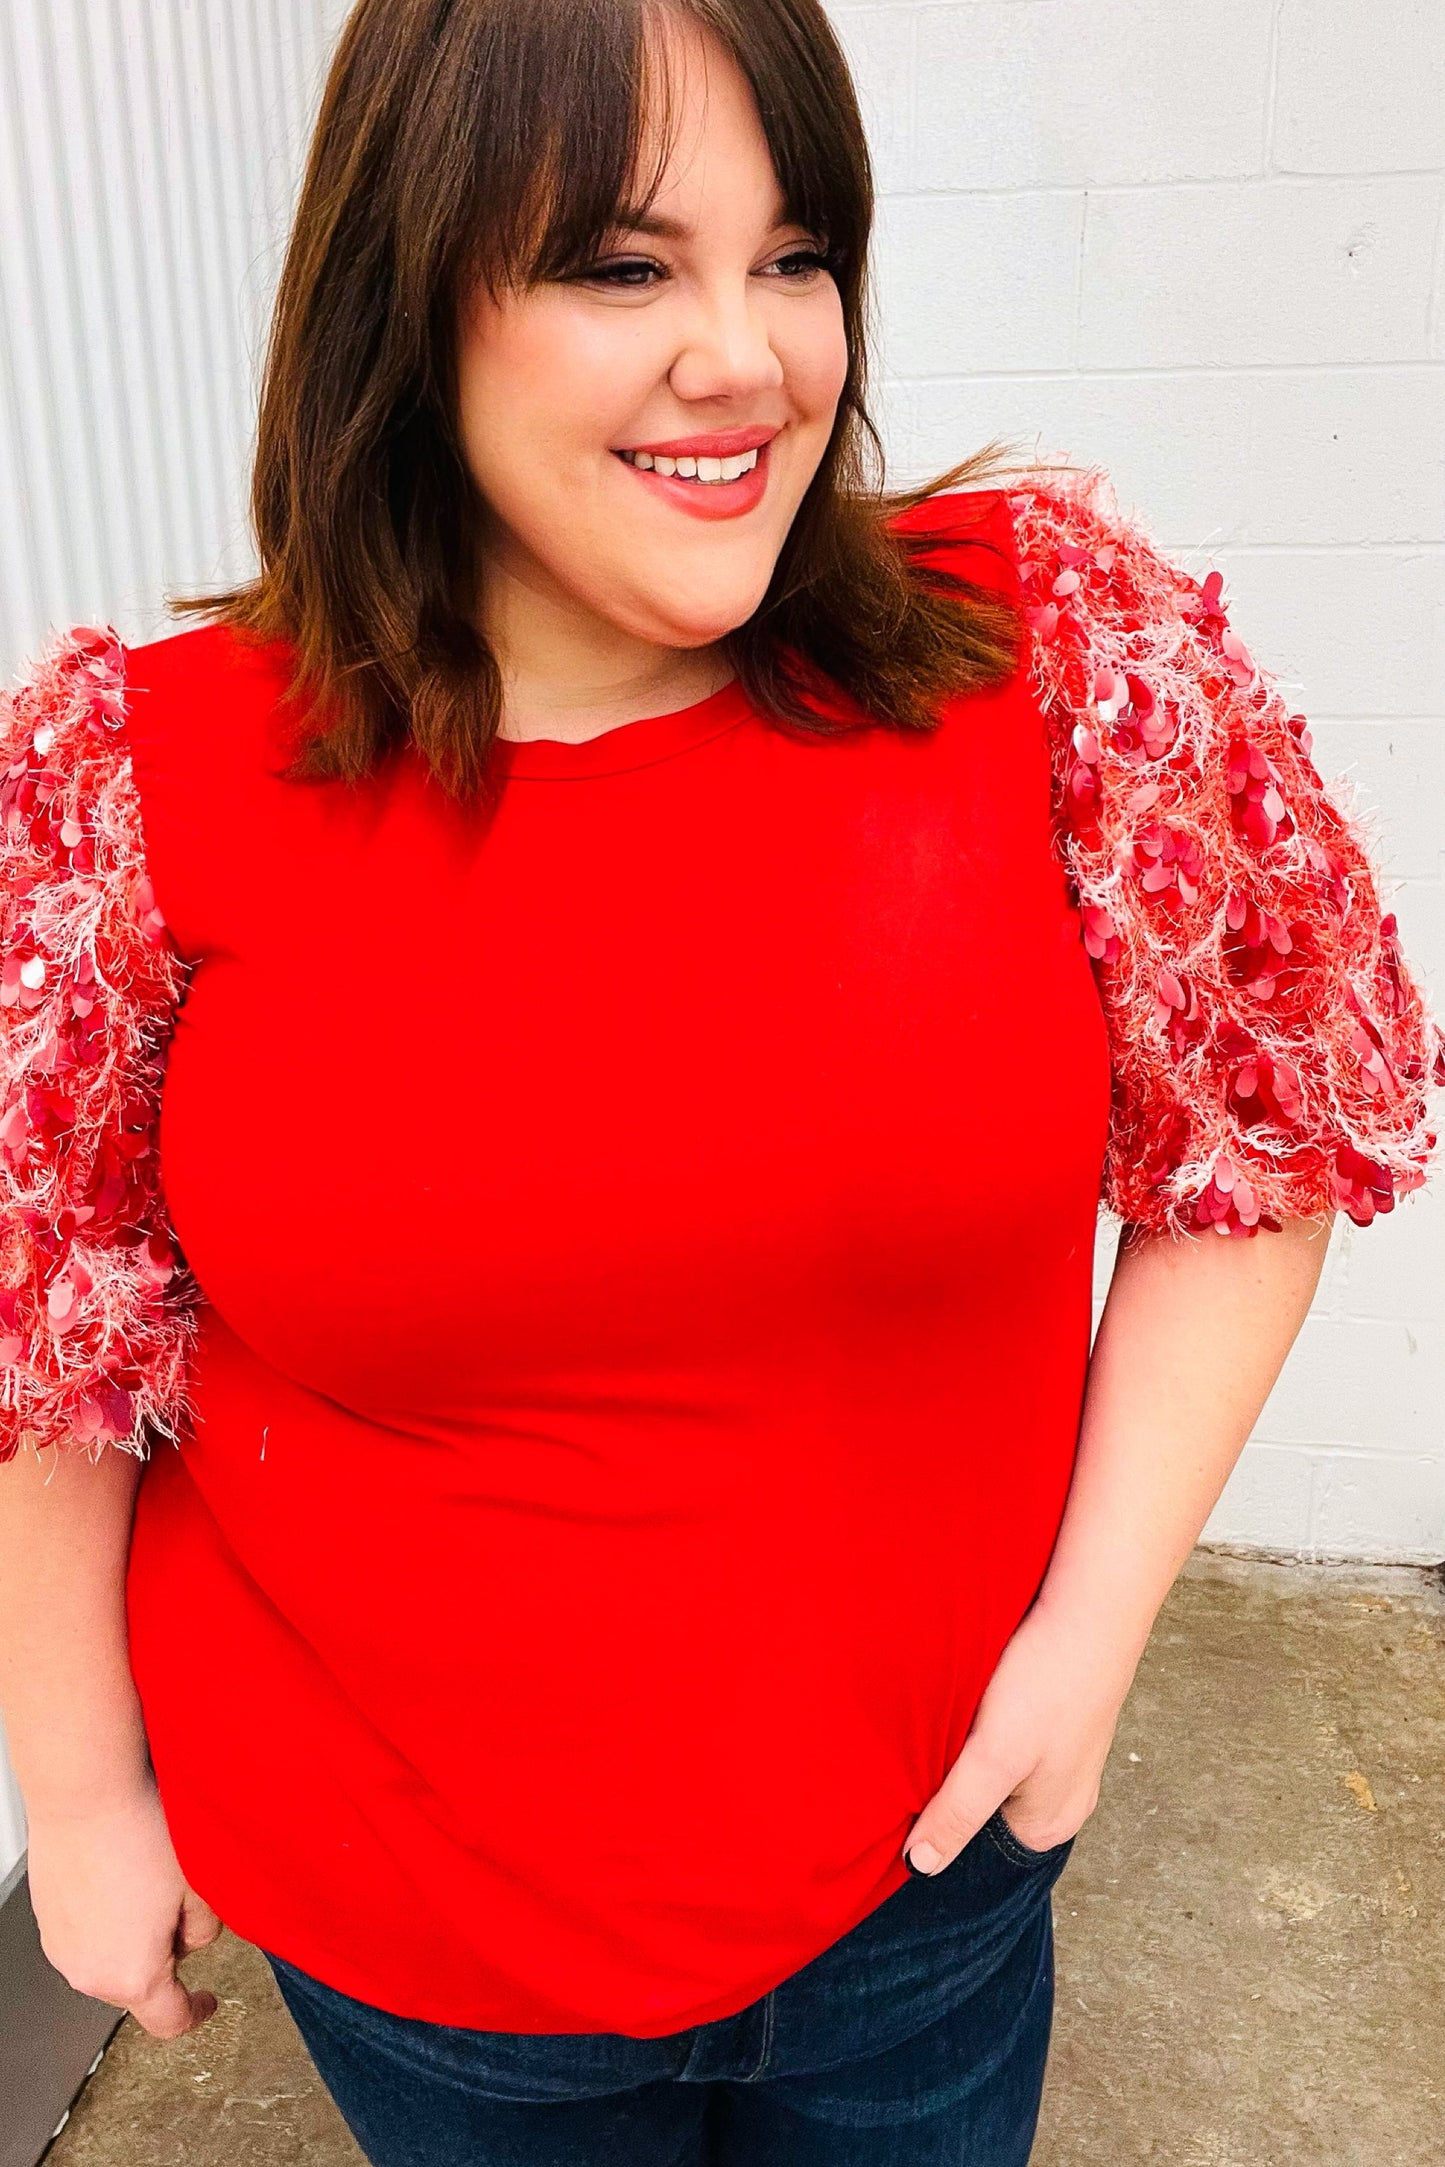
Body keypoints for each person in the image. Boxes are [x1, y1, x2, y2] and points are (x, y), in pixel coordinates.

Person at [0, 1, 1438, 2163]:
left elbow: (1267, 1131)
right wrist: (90, 1800)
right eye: (621, 263)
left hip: (927, 1888)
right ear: (411, 297)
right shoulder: (131, 782)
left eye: (794, 255)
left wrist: (1090, 1644)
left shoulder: (1055, 654)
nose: (748, 354)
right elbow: (50, 1336)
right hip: (419, 1943)